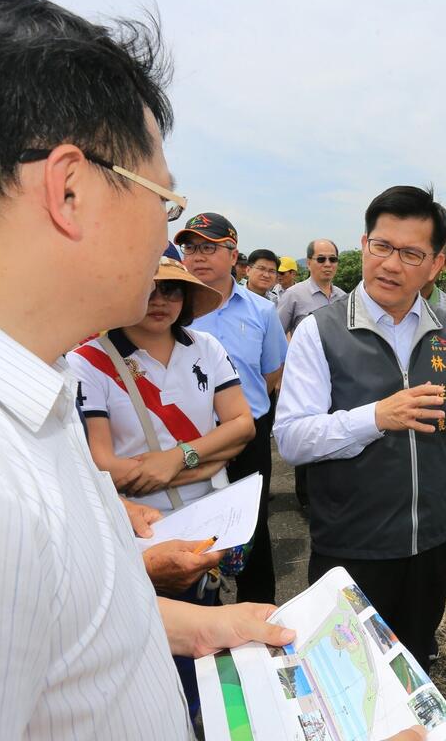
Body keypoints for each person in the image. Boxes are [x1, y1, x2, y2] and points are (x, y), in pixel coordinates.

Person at [0, 0, 292, 737]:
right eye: (160, 200)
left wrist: (193, 627)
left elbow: (65, 626)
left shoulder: (9, 393)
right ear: (68, 188)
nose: (164, 242)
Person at [275, 186, 446, 671]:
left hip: (430, 541)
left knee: (411, 664)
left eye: (411, 253)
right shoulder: (321, 330)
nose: (391, 265)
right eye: (382, 247)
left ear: (437, 264)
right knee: (350, 677)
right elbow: (291, 438)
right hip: (353, 546)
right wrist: (376, 416)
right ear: (364, 244)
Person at [67, 255, 254, 717]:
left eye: (172, 290)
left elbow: (244, 425)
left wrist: (175, 459)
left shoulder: (206, 346)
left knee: (204, 632)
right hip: (143, 527)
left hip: (213, 513)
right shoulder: (88, 361)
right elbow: (106, 465)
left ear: (187, 297)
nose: (161, 300)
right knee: (148, 645)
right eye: (149, 288)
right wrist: (212, 453)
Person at [176, 212, 288, 605]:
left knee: (251, 530)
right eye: (191, 247)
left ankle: (258, 616)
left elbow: (272, 371)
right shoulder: (169, 308)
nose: (198, 256)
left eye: (209, 247)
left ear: (233, 253)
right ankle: (203, 618)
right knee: (191, 531)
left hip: (246, 439)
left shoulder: (260, 311)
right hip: (187, 441)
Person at [276, 238, 348, 510]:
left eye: (332, 259)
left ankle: (331, 491)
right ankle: (306, 499)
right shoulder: (294, 295)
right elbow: (276, 333)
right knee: (306, 433)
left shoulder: (343, 297)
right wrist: (283, 374)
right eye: (321, 259)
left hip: (337, 377)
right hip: (305, 378)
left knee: (332, 431)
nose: (328, 264)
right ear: (309, 263)